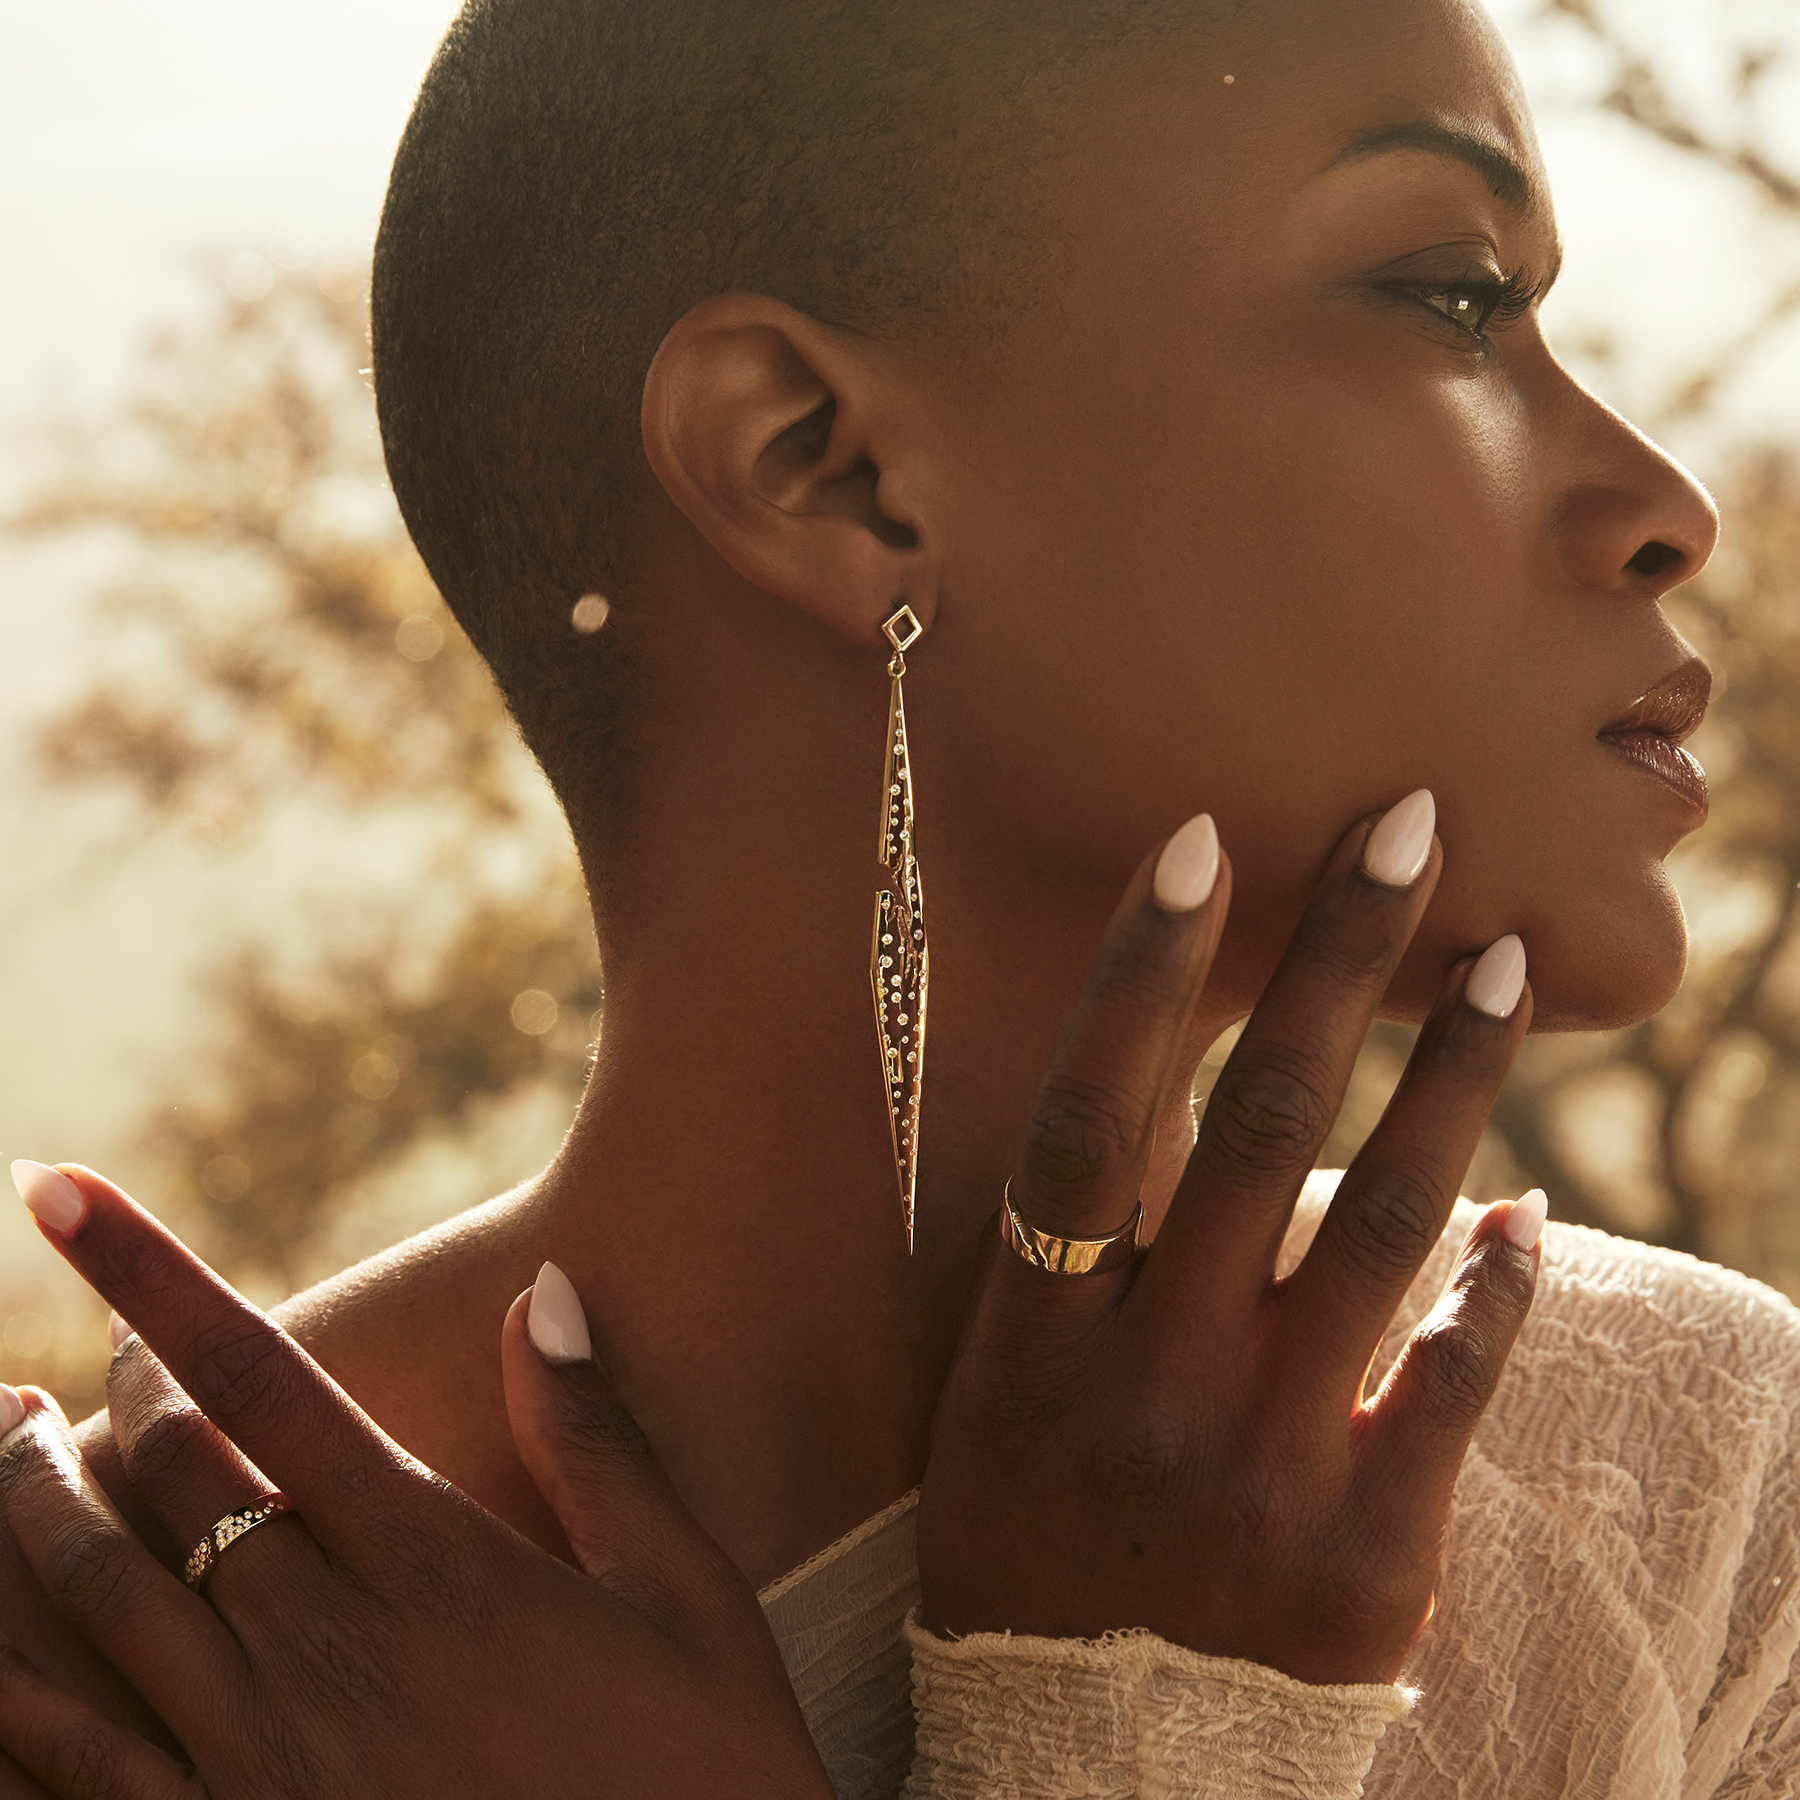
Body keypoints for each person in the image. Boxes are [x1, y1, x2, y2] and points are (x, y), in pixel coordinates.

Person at [3, 0, 1799, 1792]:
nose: (1667, 504)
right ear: (820, 465)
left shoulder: (1684, 1492)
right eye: (1455, 292)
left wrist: (1129, 1744)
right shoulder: (97, 1690)